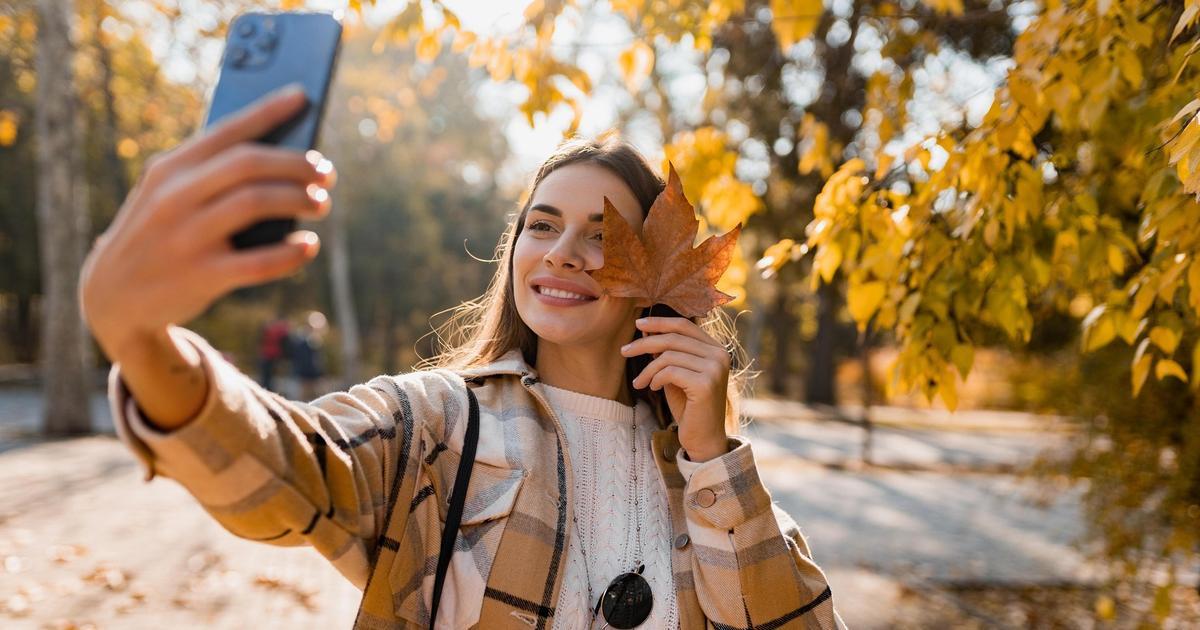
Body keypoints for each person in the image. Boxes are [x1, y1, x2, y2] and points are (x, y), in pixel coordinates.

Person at [79, 87, 846, 628]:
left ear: (653, 274)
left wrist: (712, 456)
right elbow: (283, 472)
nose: (564, 254)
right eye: (541, 226)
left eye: (603, 234)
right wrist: (141, 342)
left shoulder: (707, 472)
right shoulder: (440, 422)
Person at [287, 310, 327, 400]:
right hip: (305, 376)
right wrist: (318, 375)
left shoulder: (303, 337)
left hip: (305, 374)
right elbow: (310, 360)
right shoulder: (308, 339)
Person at [257, 314, 292, 391]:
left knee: (266, 376)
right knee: (275, 377)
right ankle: (272, 391)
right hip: (276, 355)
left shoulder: (268, 328)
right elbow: (285, 345)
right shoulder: (283, 331)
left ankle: (265, 390)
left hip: (266, 354)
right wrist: (287, 357)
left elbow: (261, 340)